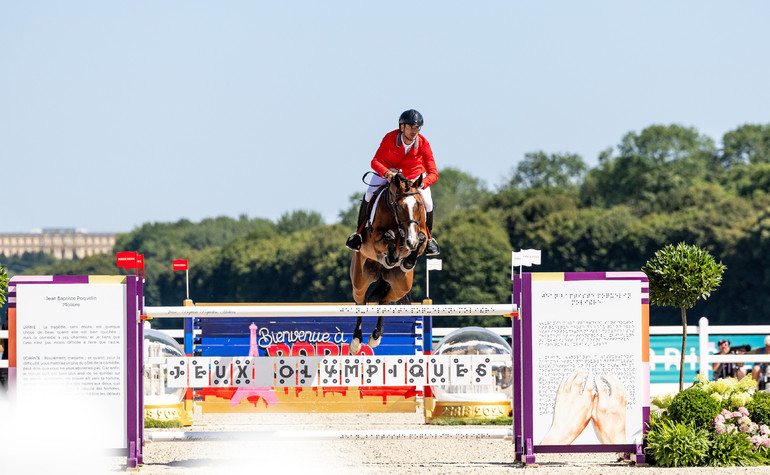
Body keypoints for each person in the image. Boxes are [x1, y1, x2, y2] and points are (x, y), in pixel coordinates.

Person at [345, 109, 440, 256]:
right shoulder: (390, 138)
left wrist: (422, 183)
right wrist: (387, 173)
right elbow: (375, 161)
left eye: (416, 128)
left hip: (414, 177)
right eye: (410, 127)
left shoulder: (423, 143)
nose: (414, 131)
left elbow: (434, 173)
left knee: (428, 202)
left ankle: (429, 239)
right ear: (402, 127)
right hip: (390, 172)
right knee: (369, 194)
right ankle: (358, 235)